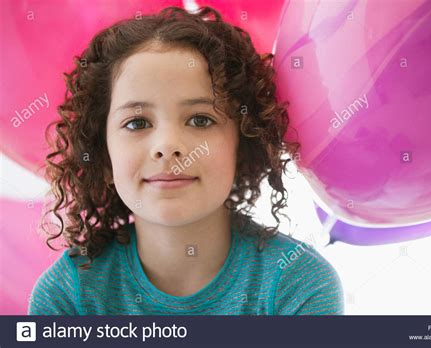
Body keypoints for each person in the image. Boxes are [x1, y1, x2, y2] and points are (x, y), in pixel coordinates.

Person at [28, 6, 344, 315]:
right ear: (104, 156)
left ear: (243, 141)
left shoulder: (299, 284)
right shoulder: (68, 295)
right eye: (137, 123)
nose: (167, 147)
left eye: (200, 120)